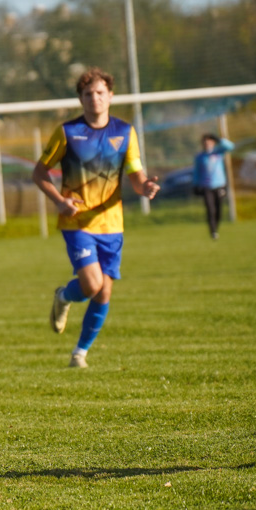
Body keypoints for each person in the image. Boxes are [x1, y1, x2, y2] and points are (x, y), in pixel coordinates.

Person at [32, 67, 160, 368]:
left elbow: (136, 176)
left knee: (104, 291)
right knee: (91, 284)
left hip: (112, 224)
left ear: (110, 96)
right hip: (76, 222)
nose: (95, 98)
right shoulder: (67, 133)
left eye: (100, 92)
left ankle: (80, 353)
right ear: (81, 99)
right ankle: (64, 296)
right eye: (88, 94)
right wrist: (60, 201)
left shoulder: (125, 132)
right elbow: (39, 173)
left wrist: (147, 187)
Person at [193, 133, 234, 240]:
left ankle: (216, 227)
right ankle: (213, 231)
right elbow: (196, 172)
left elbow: (230, 147)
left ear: (213, 143)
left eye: (209, 141)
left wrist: (220, 140)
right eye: (204, 141)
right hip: (206, 187)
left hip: (219, 185)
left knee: (218, 210)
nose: (207, 143)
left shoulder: (218, 153)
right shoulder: (200, 157)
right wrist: (195, 185)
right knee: (210, 210)